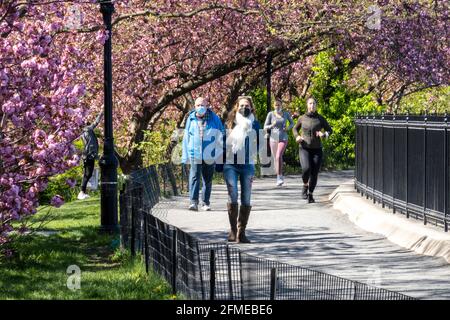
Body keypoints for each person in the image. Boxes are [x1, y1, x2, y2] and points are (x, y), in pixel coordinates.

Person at [222, 96, 260, 243]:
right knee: (233, 196)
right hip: (230, 164)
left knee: (246, 198)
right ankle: (233, 230)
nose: (244, 108)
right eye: (242, 105)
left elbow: (260, 141)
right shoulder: (230, 123)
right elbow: (223, 142)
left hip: (247, 165)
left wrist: (252, 152)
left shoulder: (255, 124)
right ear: (237, 107)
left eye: (247, 106)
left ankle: (241, 232)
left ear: (251, 108)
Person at [181, 97, 224, 211]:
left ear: (207, 106)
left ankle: (205, 203)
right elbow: (186, 137)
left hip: (210, 154)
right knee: (194, 177)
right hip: (195, 153)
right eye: (198, 105)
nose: (200, 107)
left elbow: (221, 134)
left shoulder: (214, 118)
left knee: (207, 179)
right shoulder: (190, 119)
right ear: (195, 107)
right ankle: (193, 202)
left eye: (203, 105)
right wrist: (185, 156)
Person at [292, 97, 332, 203]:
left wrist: (324, 134)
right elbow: (295, 128)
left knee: (314, 173)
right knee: (306, 169)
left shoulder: (320, 119)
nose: (312, 105)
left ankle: (310, 194)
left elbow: (329, 130)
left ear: (316, 105)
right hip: (304, 148)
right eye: (310, 103)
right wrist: (297, 136)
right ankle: (305, 185)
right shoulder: (302, 118)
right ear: (307, 105)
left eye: (314, 103)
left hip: (317, 149)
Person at [263, 98, 294, 186]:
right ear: (273, 106)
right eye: (276, 105)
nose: (277, 106)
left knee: (278, 156)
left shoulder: (286, 114)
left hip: (283, 138)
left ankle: (279, 177)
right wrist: (271, 125)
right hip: (273, 138)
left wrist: (287, 128)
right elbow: (265, 126)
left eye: (279, 105)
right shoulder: (270, 114)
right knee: (276, 158)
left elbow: (292, 123)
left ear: (281, 106)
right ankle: (279, 176)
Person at [78, 110, 103, 200]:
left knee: (87, 174)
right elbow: (96, 122)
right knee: (88, 174)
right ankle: (81, 193)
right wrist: (101, 113)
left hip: (87, 155)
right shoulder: (88, 129)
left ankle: (83, 192)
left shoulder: (84, 132)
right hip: (89, 155)